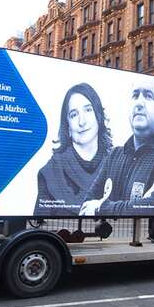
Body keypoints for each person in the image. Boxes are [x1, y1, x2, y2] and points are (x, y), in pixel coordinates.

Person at [80, 77, 154, 216]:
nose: (139, 103)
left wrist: (100, 207)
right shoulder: (114, 155)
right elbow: (86, 205)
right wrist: (137, 205)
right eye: (135, 95)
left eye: (148, 95)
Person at [34, 83, 112, 216]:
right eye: (74, 115)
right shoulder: (50, 172)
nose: (82, 122)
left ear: (98, 116)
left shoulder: (117, 165)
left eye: (88, 110)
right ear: (68, 127)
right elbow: (40, 222)